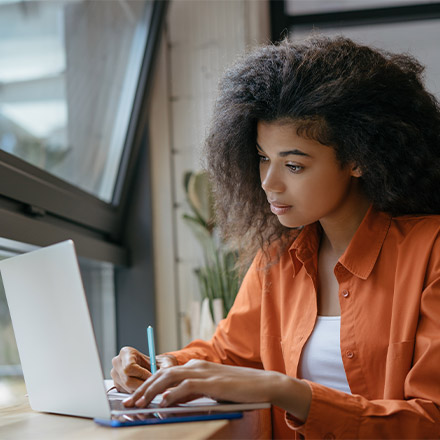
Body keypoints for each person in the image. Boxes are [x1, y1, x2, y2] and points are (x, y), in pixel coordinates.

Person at [111, 36, 440, 439]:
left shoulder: (432, 252)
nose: (269, 182)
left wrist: (283, 389)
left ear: (358, 159)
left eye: (295, 165)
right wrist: (156, 365)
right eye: (264, 158)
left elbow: (430, 420)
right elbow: (227, 355)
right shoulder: (277, 260)